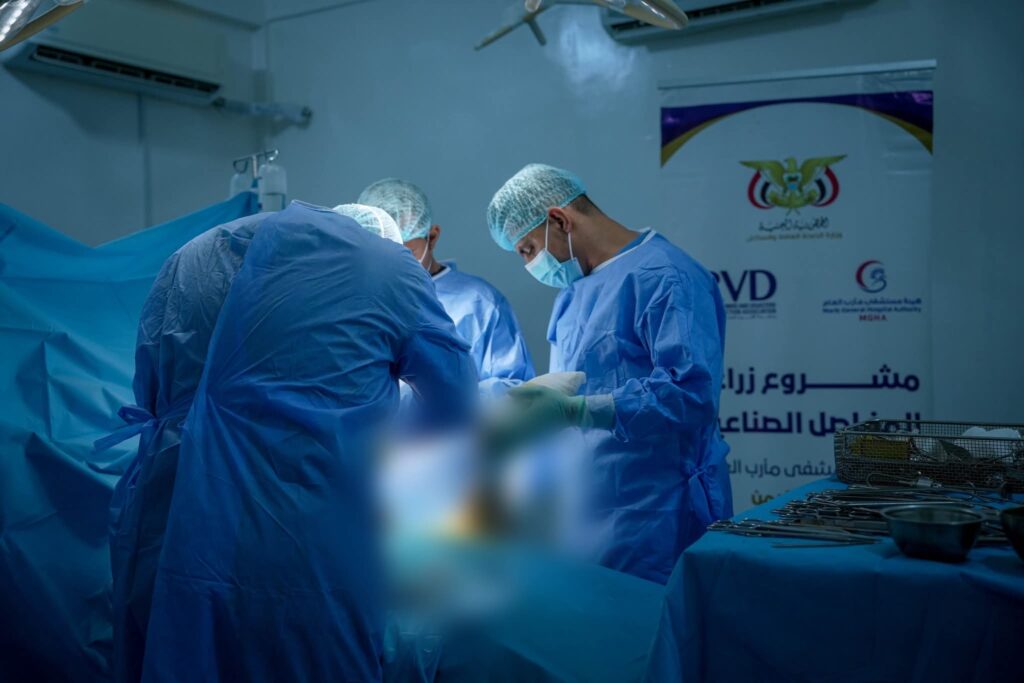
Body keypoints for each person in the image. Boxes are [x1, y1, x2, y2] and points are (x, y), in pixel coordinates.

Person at [103, 202, 476, 682]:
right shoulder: (388, 266)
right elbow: (455, 404)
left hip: (171, 512)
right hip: (302, 532)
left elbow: (152, 396)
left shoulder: (191, 255)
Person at [485, 163, 732, 584]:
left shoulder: (665, 276)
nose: (529, 263)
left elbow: (691, 394)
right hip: (585, 514)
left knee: (650, 623)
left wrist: (580, 411)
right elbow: (567, 392)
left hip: (656, 515)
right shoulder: (573, 293)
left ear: (559, 220)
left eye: (528, 249)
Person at [359, 178, 534, 394]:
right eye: (383, 255)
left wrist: (440, 401)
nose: (394, 266)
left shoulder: (480, 303)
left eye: (406, 253)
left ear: (432, 238)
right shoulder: (363, 304)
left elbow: (514, 390)